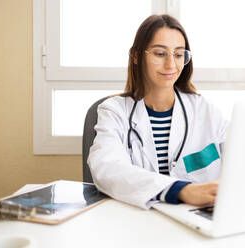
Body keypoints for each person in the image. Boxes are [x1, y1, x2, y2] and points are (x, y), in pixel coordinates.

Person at [88, 14, 227, 209]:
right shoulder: (114, 112)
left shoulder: (206, 112)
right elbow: (107, 168)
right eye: (160, 54)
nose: (171, 64)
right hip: (138, 222)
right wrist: (181, 190)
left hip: (197, 220)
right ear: (136, 56)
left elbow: (243, 162)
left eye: (178, 55)